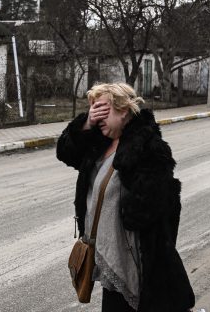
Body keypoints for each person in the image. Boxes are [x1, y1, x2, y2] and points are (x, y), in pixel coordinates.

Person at [56, 82, 195, 312]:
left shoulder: (148, 146)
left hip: (135, 260)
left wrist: (130, 211)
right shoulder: (101, 141)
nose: (98, 117)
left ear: (123, 110)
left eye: (103, 110)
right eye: (94, 110)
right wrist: (87, 123)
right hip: (110, 259)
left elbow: (158, 204)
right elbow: (66, 152)